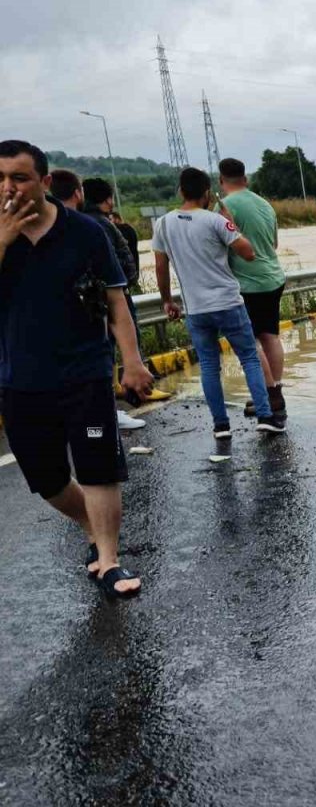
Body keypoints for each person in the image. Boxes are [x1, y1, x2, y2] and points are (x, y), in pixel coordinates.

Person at [0, 139, 153, 598]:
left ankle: (109, 560)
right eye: (0, 179)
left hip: (85, 372)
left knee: (98, 466)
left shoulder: (85, 232)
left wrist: (132, 362)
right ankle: (92, 525)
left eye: (19, 178)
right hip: (20, 377)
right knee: (45, 477)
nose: (8, 187)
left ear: (44, 181)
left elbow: (116, 302)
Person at [152, 167, 284, 437]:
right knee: (249, 358)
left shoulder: (163, 224)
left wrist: (167, 301)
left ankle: (221, 425)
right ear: (207, 193)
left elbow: (160, 267)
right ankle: (265, 415)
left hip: (196, 309)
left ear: (180, 191)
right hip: (228, 303)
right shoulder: (216, 221)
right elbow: (248, 253)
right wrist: (231, 223)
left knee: (209, 366)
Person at [217, 157, 287, 422]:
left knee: (250, 341)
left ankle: (267, 395)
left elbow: (219, 246)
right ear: (245, 179)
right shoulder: (265, 204)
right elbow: (274, 244)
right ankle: (275, 390)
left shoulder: (224, 206)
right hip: (274, 278)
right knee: (271, 336)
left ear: (221, 181)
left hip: (248, 284)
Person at [81, 178, 153, 428]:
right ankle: (110, 412)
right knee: (108, 351)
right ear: (107, 199)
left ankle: (102, 415)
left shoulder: (75, 225)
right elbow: (122, 264)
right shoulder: (100, 226)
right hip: (109, 299)